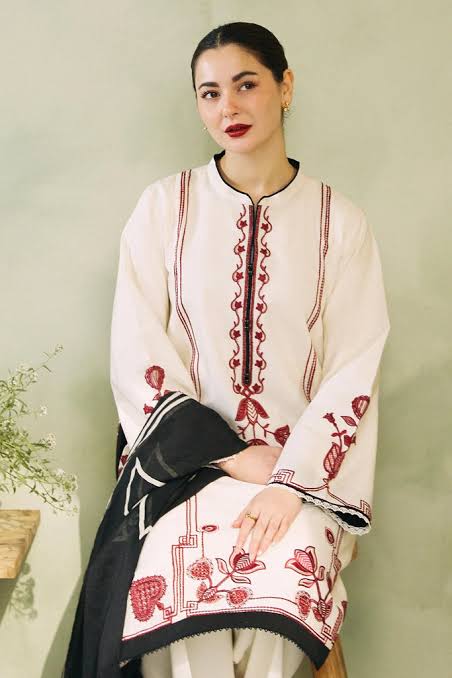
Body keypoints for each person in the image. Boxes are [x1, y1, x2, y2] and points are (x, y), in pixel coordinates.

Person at [63, 21, 390, 678]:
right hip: (184, 469)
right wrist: (233, 455)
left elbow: (354, 368)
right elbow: (137, 354)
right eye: (209, 93)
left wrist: (291, 483)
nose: (228, 108)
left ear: (285, 87)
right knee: (175, 569)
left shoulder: (340, 223)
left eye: (246, 85)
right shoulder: (164, 209)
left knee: (283, 569)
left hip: (302, 475)